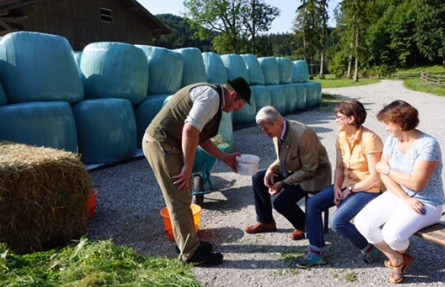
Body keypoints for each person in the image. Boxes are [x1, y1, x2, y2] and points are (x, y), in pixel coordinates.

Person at [142, 77, 252, 267]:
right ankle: (191, 255)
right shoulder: (211, 97)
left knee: (183, 195)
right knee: (178, 198)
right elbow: (190, 130)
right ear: (233, 95)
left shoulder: (214, 99)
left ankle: (188, 243)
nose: (239, 109)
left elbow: (200, 136)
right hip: (161, 143)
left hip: (169, 143)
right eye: (240, 104)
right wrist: (187, 166)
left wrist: (224, 157)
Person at [354, 100, 445, 284]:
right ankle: (397, 259)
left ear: (401, 123)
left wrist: (388, 171)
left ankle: (399, 255)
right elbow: (382, 172)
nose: (386, 129)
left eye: (388, 124)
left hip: (427, 201)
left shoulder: (428, 145)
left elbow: (416, 183)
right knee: (362, 222)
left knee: (392, 235)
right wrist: (403, 197)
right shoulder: (392, 140)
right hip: (399, 195)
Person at [296, 99, 384, 269]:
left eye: (339, 117)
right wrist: (337, 187)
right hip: (346, 185)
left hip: (368, 189)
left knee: (337, 222)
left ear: (351, 119)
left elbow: (375, 178)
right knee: (313, 204)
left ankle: (369, 248)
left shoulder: (370, 139)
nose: (336, 120)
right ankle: (316, 253)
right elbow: (339, 167)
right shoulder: (342, 137)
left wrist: (349, 190)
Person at [244, 106, 332, 241]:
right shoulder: (277, 132)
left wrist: (283, 183)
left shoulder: (303, 134)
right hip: (294, 169)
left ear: (278, 122)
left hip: (313, 175)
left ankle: (306, 226)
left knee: (281, 203)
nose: (264, 132)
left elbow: (309, 169)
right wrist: (271, 170)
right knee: (258, 178)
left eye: (266, 128)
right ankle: (266, 222)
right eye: (262, 128)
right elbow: (282, 159)